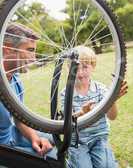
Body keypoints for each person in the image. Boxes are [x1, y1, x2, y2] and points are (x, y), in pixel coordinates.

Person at [60, 45, 128, 168]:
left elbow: (112, 117)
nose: (80, 73)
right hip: (77, 141)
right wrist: (82, 112)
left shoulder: (100, 89)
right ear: (68, 69)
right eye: (75, 68)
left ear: (93, 67)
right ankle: (72, 162)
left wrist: (112, 100)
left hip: (99, 138)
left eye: (85, 67)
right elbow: (66, 121)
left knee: (105, 166)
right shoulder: (66, 93)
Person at [0, 23, 56, 159]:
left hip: (12, 134)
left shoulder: (16, 80)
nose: (34, 58)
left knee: (56, 141)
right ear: (7, 49)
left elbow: (19, 119)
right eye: (30, 50)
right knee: (52, 158)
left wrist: (34, 138)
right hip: (3, 149)